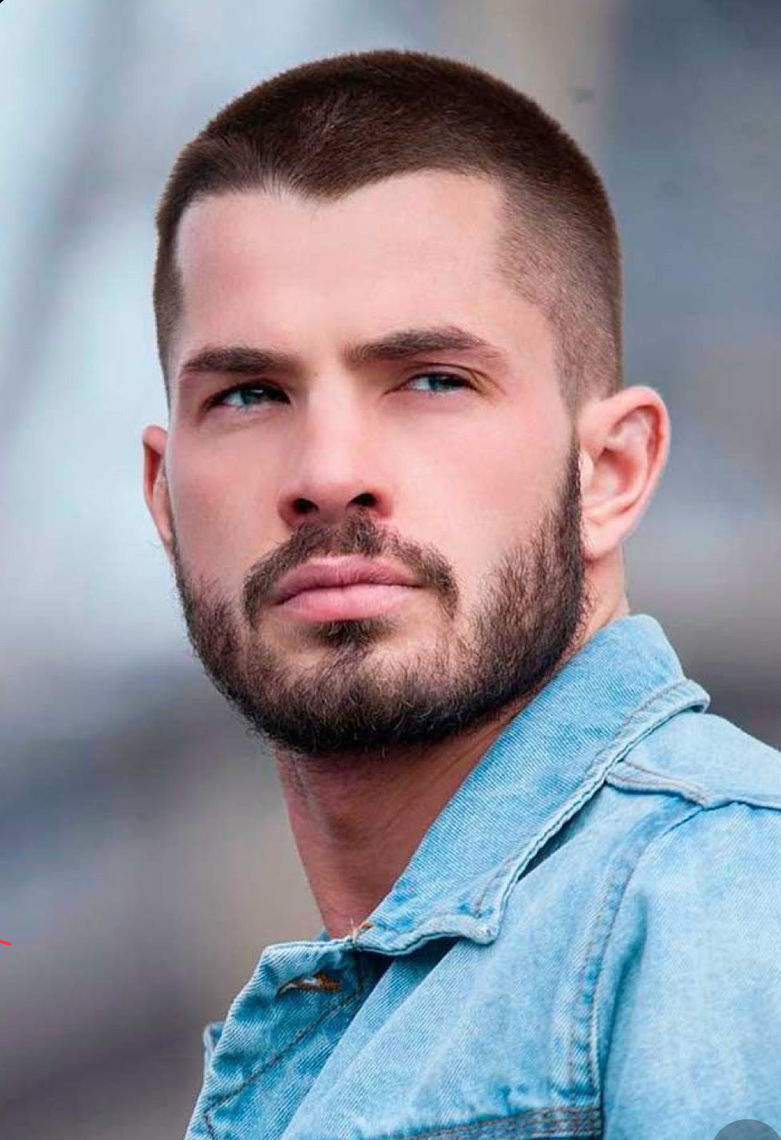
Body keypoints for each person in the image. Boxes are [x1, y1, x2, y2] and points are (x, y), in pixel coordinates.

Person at [142, 49, 781, 1140]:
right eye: (249, 394)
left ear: (610, 472)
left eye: (433, 379)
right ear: (164, 494)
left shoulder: (724, 905)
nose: (328, 472)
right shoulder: (363, 1019)